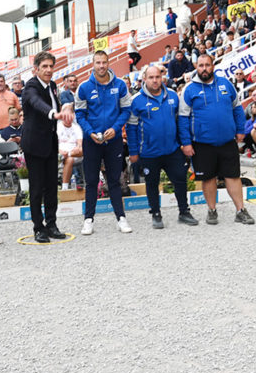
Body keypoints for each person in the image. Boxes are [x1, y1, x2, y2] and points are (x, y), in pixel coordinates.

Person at [178, 53, 255, 225]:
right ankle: (212, 210)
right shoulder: (189, 89)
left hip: (227, 141)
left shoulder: (226, 84)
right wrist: (186, 143)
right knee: (208, 178)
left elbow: (237, 109)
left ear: (213, 66)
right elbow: (183, 118)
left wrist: (240, 129)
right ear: (196, 67)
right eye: (200, 65)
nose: (204, 69)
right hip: (203, 144)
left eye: (207, 65)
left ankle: (240, 210)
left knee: (233, 176)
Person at [127, 65, 200, 229]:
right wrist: (133, 152)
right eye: (151, 77)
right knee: (152, 184)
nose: (155, 80)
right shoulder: (136, 100)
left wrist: (184, 143)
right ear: (144, 79)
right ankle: (156, 214)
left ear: (162, 78)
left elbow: (181, 121)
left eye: (157, 77)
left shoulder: (173, 96)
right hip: (149, 153)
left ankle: (184, 212)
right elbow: (131, 128)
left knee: (180, 180)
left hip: (172, 151)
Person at [74, 50, 132, 235]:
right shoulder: (83, 88)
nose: (101, 66)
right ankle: (88, 220)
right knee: (91, 182)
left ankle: (121, 218)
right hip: (91, 142)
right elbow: (80, 115)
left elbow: (126, 111)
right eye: (98, 62)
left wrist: (115, 129)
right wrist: (90, 133)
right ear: (93, 64)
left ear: (108, 63)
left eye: (104, 62)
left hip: (113, 140)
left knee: (115, 181)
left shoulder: (120, 85)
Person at [19, 51, 74, 243]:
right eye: (45, 66)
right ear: (36, 69)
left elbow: (56, 104)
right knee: (36, 188)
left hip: (51, 142)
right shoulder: (30, 87)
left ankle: (52, 224)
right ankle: (38, 227)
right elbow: (37, 103)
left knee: (52, 186)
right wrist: (53, 114)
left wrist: (64, 108)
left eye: (51, 66)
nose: (49, 70)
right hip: (34, 144)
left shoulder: (52, 85)